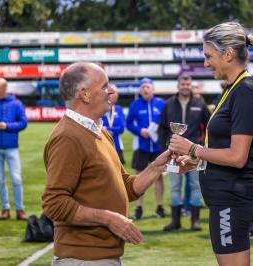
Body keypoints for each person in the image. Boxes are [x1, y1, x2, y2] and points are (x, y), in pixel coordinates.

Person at [42, 62, 172, 265]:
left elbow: (124, 186)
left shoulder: (101, 132)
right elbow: (54, 203)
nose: (111, 91)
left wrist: (157, 166)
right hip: (83, 258)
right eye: (104, 86)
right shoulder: (68, 136)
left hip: (101, 256)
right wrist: (109, 219)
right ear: (84, 94)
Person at [169, 22, 253, 266]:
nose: (205, 63)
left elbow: (238, 157)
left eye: (208, 56)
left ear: (229, 54)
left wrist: (192, 148)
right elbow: (226, 149)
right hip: (224, 199)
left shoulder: (245, 91)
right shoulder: (234, 89)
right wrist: (197, 161)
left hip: (232, 200)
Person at [158, 74, 210, 231]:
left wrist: (204, 149)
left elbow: (209, 127)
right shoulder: (169, 104)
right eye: (183, 83)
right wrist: (165, 149)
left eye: (188, 83)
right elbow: (162, 128)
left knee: (195, 186)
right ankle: (176, 221)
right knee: (175, 186)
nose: (185, 86)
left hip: (195, 154)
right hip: (173, 154)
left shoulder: (200, 104)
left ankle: (195, 221)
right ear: (178, 85)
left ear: (191, 85)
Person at [0, 78, 28, 220]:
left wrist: (6, 126)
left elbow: (23, 123)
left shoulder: (16, 104)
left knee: (16, 179)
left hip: (11, 147)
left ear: (4, 90)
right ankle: (5, 209)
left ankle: (20, 210)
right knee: (0, 179)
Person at [126, 78, 166, 219]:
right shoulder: (135, 104)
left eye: (148, 87)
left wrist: (159, 129)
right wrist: (139, 131)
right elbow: (128, 124)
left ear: (153, 89)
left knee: (158, 176)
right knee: (139, 177)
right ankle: (138, 208)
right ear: (140, 90)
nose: (145, 89)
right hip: (141, 145)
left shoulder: (161, 103)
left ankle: (160, 207)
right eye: (143, 87)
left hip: (157, 146)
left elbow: (167, 122)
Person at [102, 85, 126, 164]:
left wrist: (107, 129)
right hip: (103, 145)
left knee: (119, 173)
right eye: (113, 92)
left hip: (117, 145)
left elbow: (122, 128)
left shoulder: (118, 109)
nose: (115, 94)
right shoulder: (100, 108)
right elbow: (97, 127)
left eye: (117, 92)